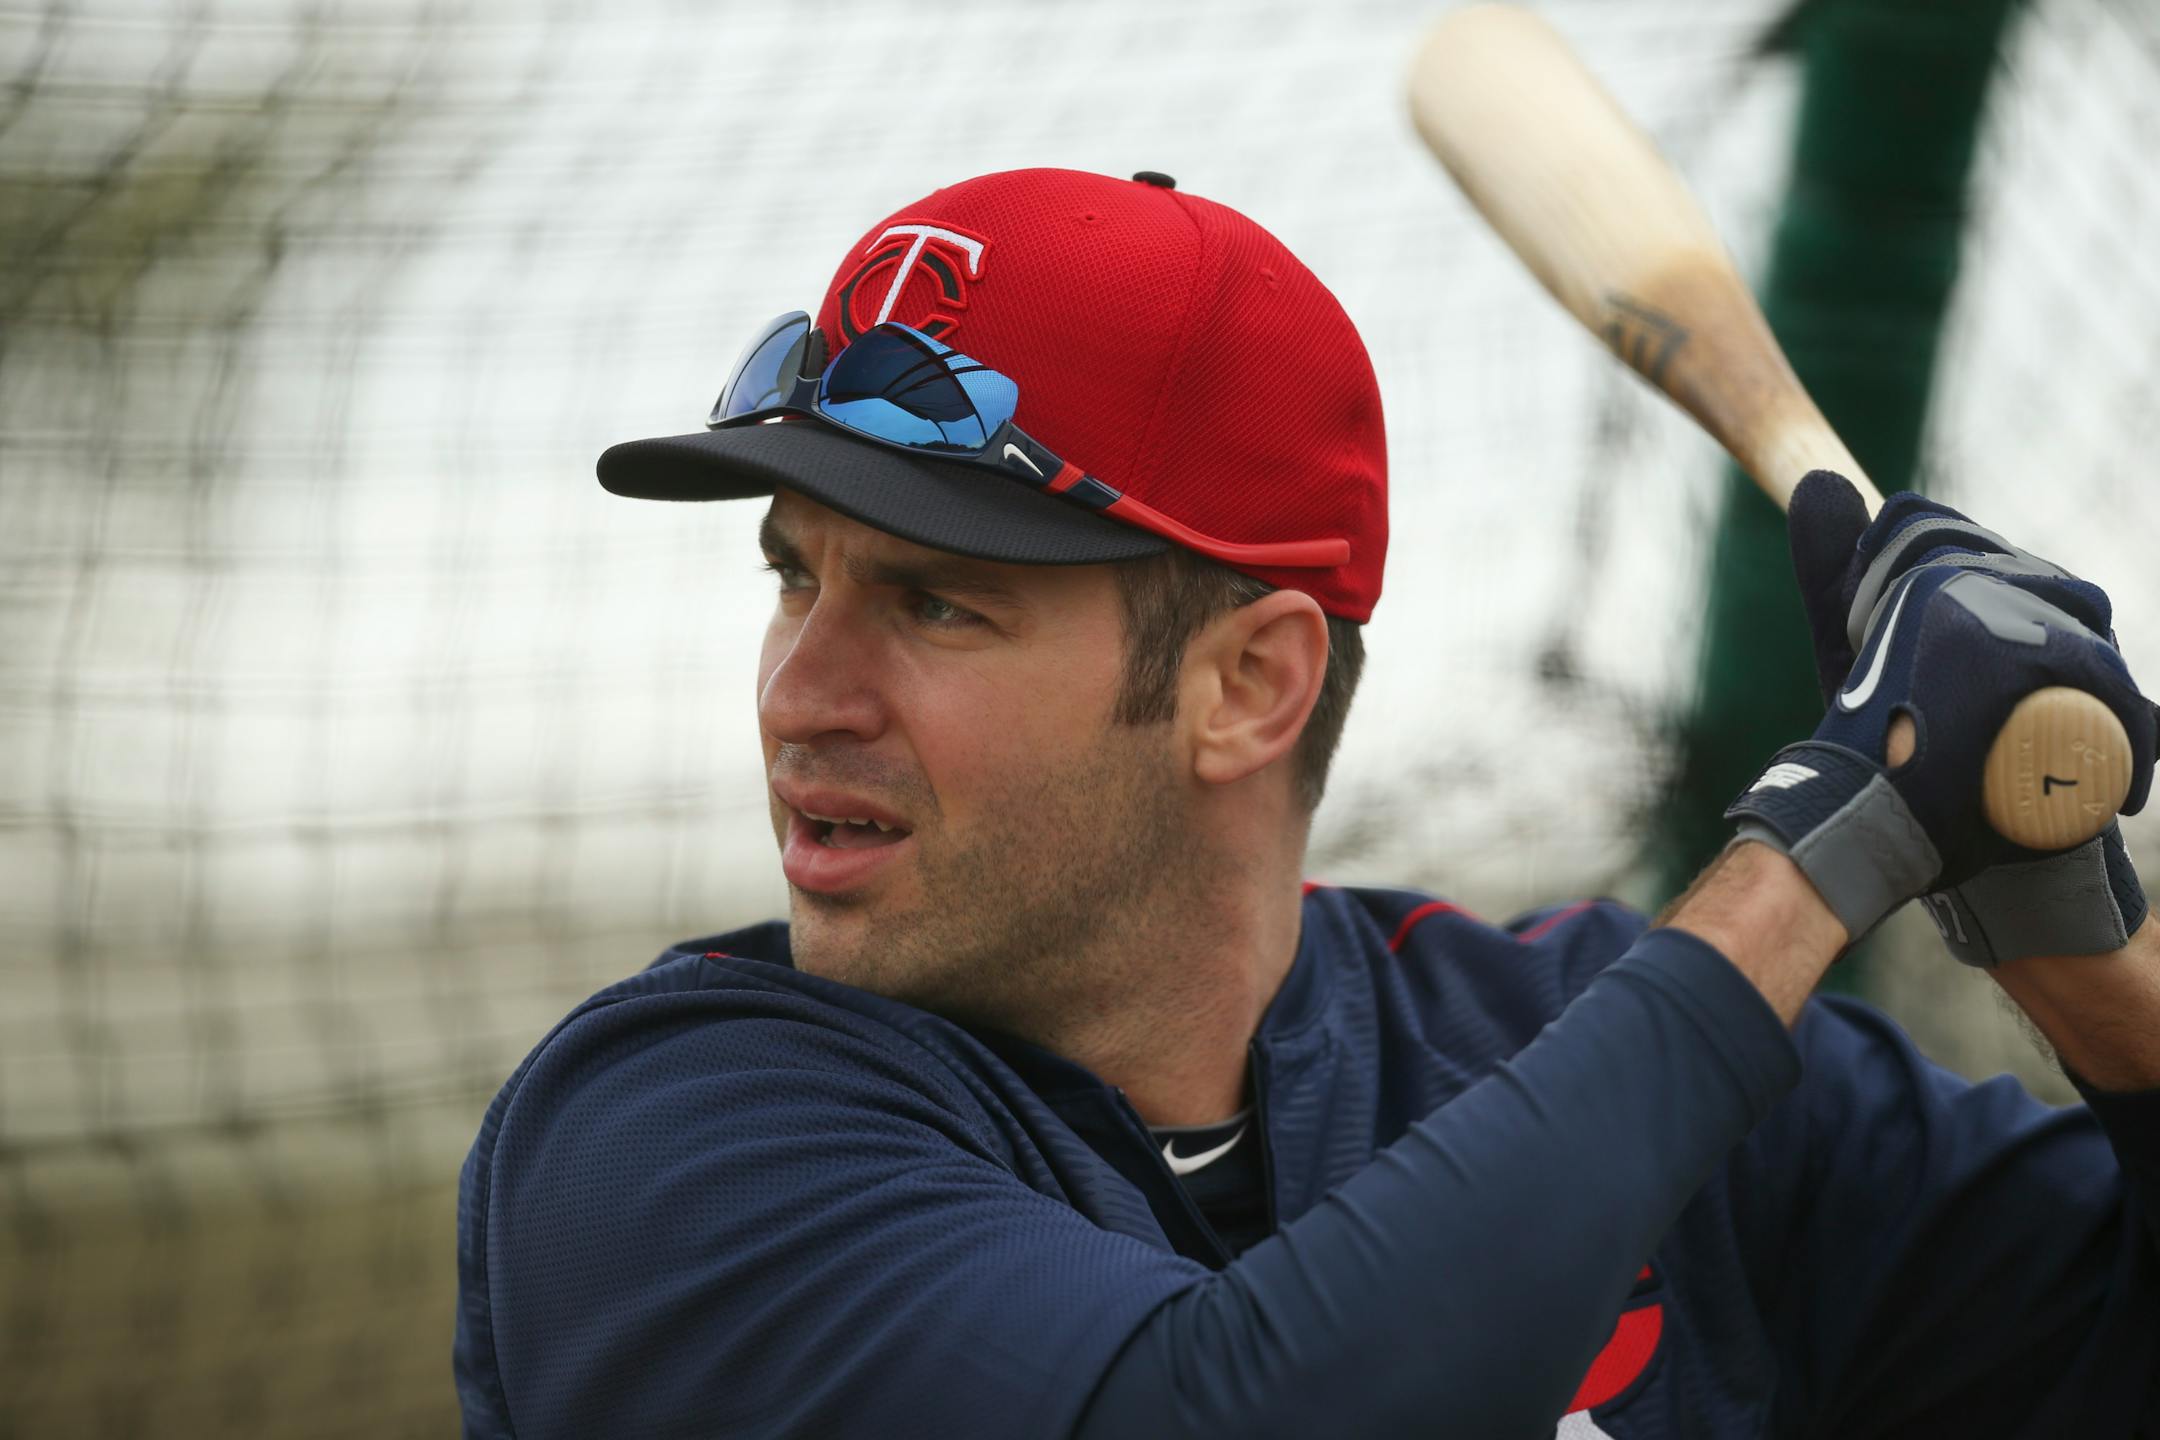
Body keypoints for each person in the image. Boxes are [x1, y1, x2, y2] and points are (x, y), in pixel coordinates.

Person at [452, 168, 2160, 1438]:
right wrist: (1831, 839)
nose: (800, 692)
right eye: (791, 580)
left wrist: (2053, 900)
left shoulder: (1593, 1049)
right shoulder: (664, 1142)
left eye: (930, 604)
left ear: (1248, 685)